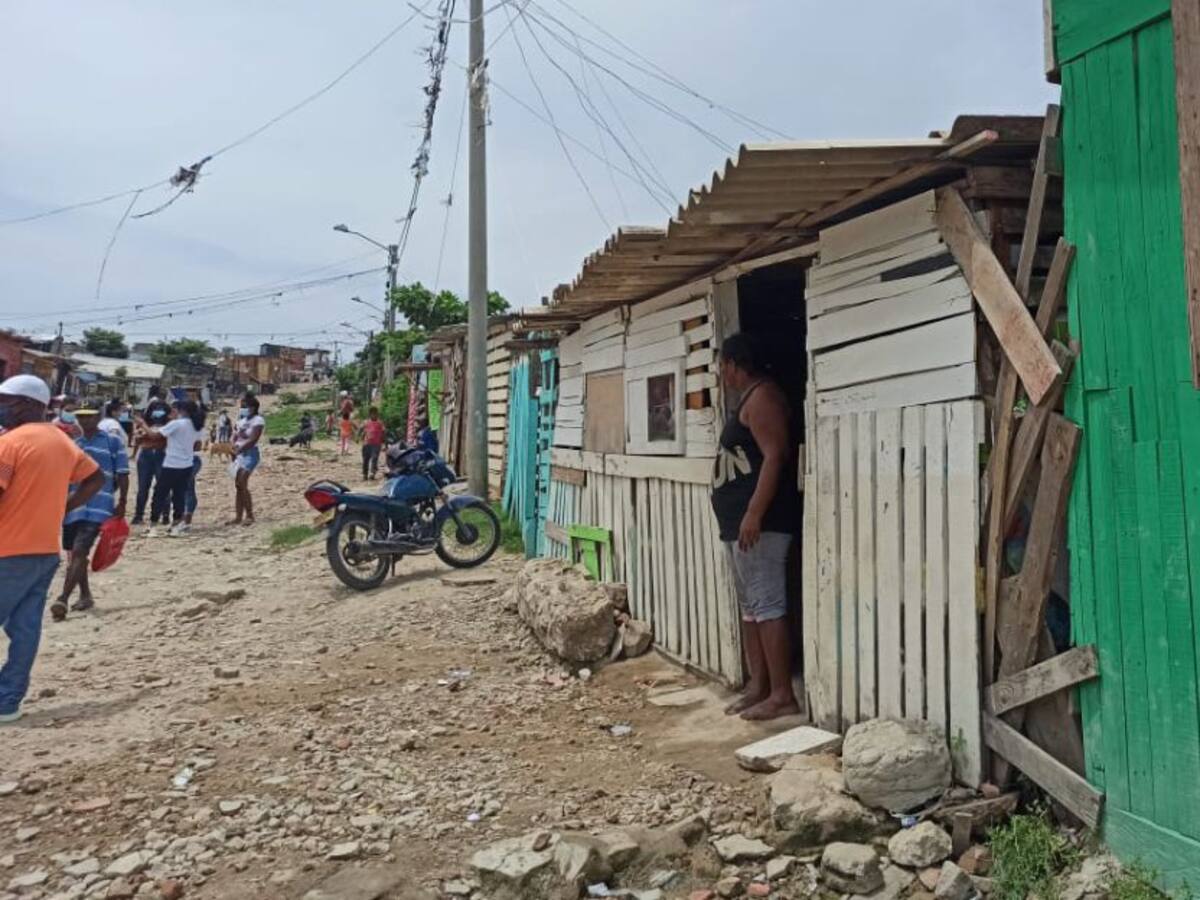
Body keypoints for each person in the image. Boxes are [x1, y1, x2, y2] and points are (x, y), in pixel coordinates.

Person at [0, 375, 104, 723]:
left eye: (7, 400)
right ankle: (8, 702)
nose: (2, 406)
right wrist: (64, 507)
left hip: (7, 549)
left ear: (29, 404)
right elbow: (95, 478)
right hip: (45, 548)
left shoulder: (10, 444)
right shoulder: (61, 441)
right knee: (26, 627)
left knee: (23, 625)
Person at [710, 333, 802, 721]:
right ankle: (758, 685)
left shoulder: (762, 397)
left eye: (722, 365)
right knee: (751, 608)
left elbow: (775, 455)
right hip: (740, 526)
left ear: (734, 363)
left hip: (761, 526)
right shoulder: (748, 399)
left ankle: (782, 694)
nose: (721, 373)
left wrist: (753, 512)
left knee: (767, 605)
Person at [52, 406, 129, 620]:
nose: (84, 421)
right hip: (73, 506)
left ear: (98, 417)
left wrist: (122, 501)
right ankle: (85, 595)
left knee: (79, 550)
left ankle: (63, 599)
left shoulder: (112, 442)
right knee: (75, 554)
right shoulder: (73, 445)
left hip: (99, 506)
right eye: (81, 417)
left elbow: (122, 473)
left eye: (89, 417)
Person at [148, 399, 205, 536]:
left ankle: (153, 527)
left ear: (181, 410)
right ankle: (175, 526)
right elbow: (197, 445)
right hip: (186, 464)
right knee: (179, 496)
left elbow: (155, 435)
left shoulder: (176, 424)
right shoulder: (195, 425)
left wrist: (142, 424)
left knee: (159, 494)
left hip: (171, 464)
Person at [130, 387, 171, 525]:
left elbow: (155, 436)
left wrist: (145, 429)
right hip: (148, 455)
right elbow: (138, 438)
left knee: (161, 486)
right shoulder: (146, 424)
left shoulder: (168, 424)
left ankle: (164, 514)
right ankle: (139, 515)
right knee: (143, 487)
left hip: (160, 454)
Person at [229, 394, 265, 526]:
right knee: (238, 485)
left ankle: (249, 515)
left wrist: (240, 448)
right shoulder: (240, 421)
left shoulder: (258, 420)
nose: (242, 408)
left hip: (250, 454)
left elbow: (253, 439)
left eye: (245, 406)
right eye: (241, 406)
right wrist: (232, 447)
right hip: (238, 454)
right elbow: (234, 436)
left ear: (253, 407)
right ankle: (238, 516)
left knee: (242, 482)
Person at [359, 407, 385, 479]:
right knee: (365, 459)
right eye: (373, 414)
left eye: (376, 414)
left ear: (377, 414)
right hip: (367, 443)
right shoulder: (366, 422)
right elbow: (361, 429)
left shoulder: (380, 423)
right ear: (370, 414)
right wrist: (358, 437)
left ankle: (372, 473)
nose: (374, 415)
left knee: (374, 458)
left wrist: (384, 442)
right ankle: (365, 474)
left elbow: (384, 432)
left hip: (376, 444)